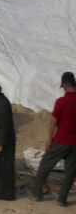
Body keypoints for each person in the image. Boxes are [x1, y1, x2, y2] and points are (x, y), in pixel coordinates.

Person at [30, 71, 76, 204]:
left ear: (65, 85)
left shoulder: (61, 102)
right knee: (70, 172)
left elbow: (53, 122)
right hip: (75, 143)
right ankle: (62, 199)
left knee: (45, 165)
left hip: (61, 140)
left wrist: (49, 138)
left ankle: (36, 193)